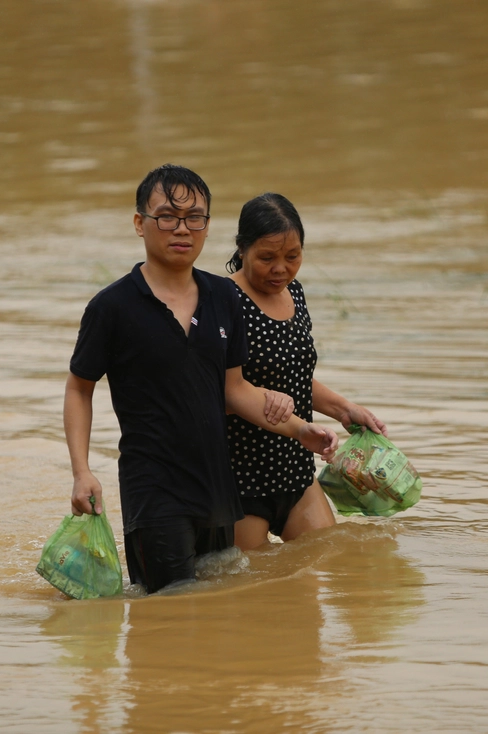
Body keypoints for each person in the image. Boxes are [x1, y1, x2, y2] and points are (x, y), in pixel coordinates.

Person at [64, 166, 338, 593]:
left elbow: (236, 389)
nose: (182, 228)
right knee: (172, 611)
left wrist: (300, 429)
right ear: (140, 223)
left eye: (195, 217)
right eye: (167, 217)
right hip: (154, 490)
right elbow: (79, 389)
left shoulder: (223, 298)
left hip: (219, 491)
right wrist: (82, 472)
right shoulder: (112, 307)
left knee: (221, 614)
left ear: (208, 226)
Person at [225, 193, 388, 551]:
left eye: (292, 256)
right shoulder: (222, 301)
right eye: (267, 258)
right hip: (241, 479)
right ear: (241, 249)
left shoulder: (294, 293)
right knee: (245, 593)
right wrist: (264, 399)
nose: (280, 268)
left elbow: (294, 376)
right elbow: (210, 392)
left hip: (296, 470)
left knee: (323, 569)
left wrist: (345, 410)